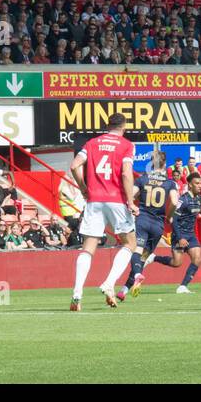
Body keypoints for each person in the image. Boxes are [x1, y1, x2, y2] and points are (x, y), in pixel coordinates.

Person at [67, 113, 137, 311]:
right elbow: (125, 172)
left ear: (108, 125)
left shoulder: (92, 143)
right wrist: (130, 201)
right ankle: (109, 283)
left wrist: (83, 188)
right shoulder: (126, 145)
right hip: (117, 200)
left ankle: (77, 294)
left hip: (94, 200)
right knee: (129, 243)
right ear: (124, 127)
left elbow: (74, 166)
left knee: (88, 248)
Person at [121, 151, 179, 300]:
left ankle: (137, 277)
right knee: (142, 258)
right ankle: (124, 290)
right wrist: (169, 216)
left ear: (152, 163)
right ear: (165, 164)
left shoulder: (143, 179)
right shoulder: (170, 182)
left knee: (137, 251)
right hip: (158, 225)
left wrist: (132, 205)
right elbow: (173, 201)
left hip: (143, 219)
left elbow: (131, 195)